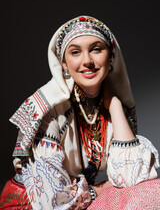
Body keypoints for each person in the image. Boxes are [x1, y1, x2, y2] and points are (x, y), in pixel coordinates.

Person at [0, 15, 160, 209]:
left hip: (80, 204)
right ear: (64, 64)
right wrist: (100, 190)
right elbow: (54, 202)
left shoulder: (113, 109)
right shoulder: (48, 111)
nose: (87, 61)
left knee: (153, 191)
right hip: (32, 205)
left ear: (111, 58)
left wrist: (115, 104)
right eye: (75, 52)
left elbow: (132, 178)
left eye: (96, 49)